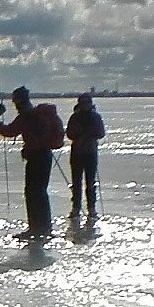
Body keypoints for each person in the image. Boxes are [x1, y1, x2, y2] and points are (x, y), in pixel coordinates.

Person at [0, 85, 55, 239]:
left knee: (32, 192)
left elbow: (9, 131)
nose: (14, 104)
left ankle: (35, 228)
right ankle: (44, 227)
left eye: (15, 101)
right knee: (41, 192)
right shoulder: (37, 114)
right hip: (45, 154)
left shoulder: (26, 116)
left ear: (18, 100)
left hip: (35, 157)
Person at [66, 92, 105, 220]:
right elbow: (70, 134)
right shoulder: (74, 117)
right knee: (76, 183)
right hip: (77, 153)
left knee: (90, 183)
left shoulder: (96, 117)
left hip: (90, 153)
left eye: (86, 103)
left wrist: (88, 134)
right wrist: (80, 135)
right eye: (82, 103)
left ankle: (91, 209)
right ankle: (76, 208)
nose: (84, 105)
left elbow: (101, 133)